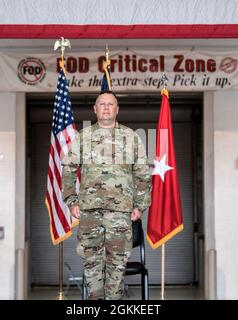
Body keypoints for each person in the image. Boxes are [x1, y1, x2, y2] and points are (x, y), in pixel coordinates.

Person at [62, 92, 152, 300]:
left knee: (117, 265)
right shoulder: (83, 138)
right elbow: (68, 170)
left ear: (117, 109)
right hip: (89, 211)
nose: (106, 108)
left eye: (111, 104)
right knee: (91, 264)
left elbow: (143, 175)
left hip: (121, 213)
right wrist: (71, 201)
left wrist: (140, 205)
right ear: (94, 109)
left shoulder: (131, 137)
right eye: (102, 104)